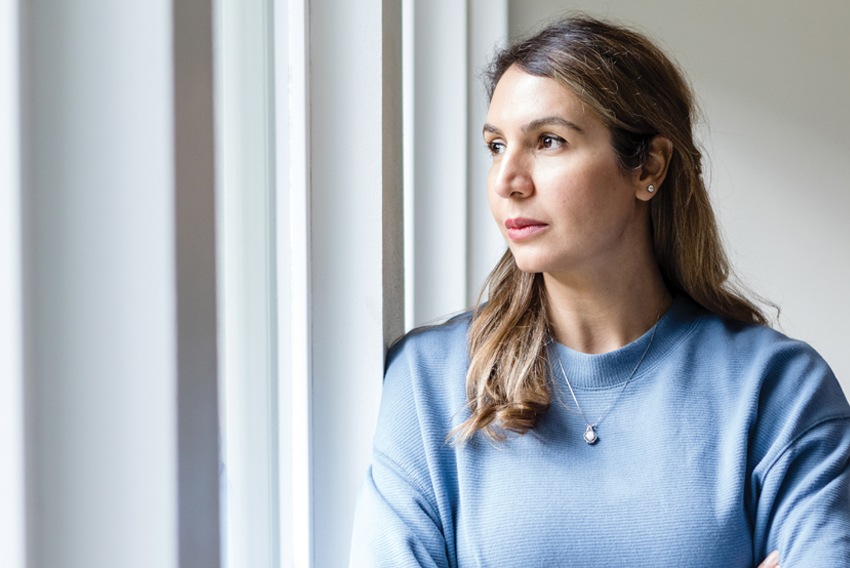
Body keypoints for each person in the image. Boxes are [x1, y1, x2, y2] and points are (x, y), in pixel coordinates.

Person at [350, 16, 850, 568]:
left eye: (548, 141)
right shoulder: (428, 383)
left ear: (648, 167)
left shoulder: (780, 391)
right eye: (496, 145)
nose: (507, 180)